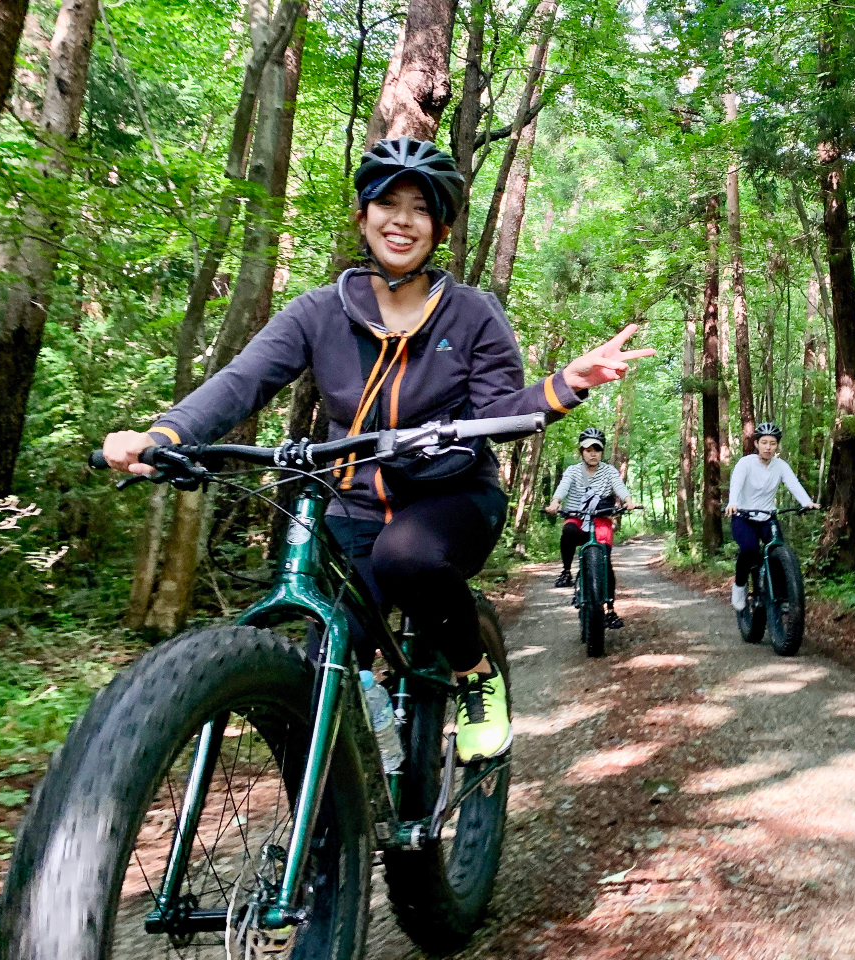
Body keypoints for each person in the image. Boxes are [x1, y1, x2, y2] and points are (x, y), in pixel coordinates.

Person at [101, 137, 653, 763]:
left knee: (406, 559)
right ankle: (330, 836)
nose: (402, 220)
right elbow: (242, 380)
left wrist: (565, 386)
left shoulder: (472, 314)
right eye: (386, 203)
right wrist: (164, 435)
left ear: (439, 227)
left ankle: (474, 672)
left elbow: (498, 414)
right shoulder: (319, 312)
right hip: (351, 501)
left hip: (452, 497)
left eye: (420, 208)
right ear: (363, 217)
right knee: (320, 671)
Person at [544, 428, 634, 628]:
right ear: (581, 451)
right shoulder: (573, 471)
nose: (592, 453)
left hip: (601, 519)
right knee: (568, 531)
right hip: (576, 517)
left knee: (606, 562)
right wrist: (555, 502)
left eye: (597, 449)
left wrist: (628, 501)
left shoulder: (609, 471)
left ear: (602, 452)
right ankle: (566, 571)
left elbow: (619, 487)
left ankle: (610, 610)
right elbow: (562, 488)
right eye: (588, 449)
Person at [724, 421, 818, 611]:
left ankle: (781, 596)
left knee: (779, 551)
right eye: (764, 442)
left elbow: (793, 484)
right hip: (743, 516)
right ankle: (740, 586)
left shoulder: (780, 466)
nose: (768, 447)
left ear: (777, 445)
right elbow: (736, 484)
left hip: (768, 517)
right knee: (749, 550)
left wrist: (806, 502)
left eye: (773, 443)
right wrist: (732, 502)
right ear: (756, 443)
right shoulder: (745, 463)